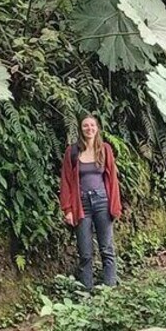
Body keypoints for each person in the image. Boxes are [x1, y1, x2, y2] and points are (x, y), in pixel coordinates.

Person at [59, 114, 122, 289]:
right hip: (82, 204)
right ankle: (86, 292)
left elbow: (113, 179)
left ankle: (109, 290)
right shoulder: (72, 152)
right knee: (85, 252)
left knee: (107, 249)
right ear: (80, 129)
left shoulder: (105, 149)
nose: (89, 129)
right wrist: (68, 209)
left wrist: (114, 205)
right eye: (85, 126)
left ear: (97, 128)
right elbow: (65, 181)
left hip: (102, 201)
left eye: (92, 125)